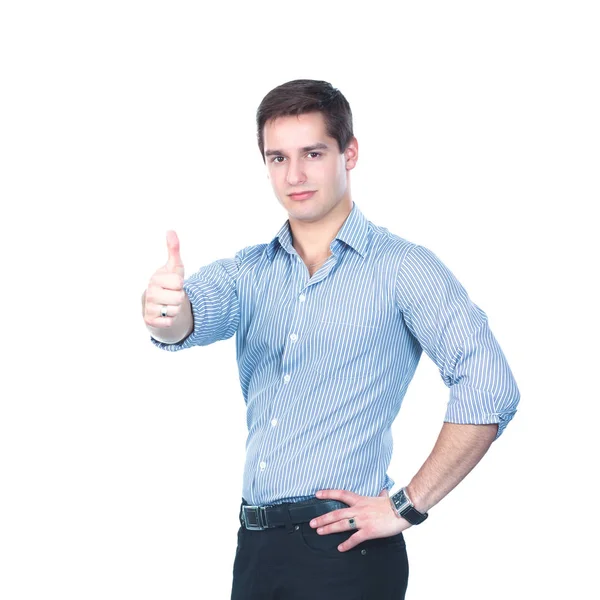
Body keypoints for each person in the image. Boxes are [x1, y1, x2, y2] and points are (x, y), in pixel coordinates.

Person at [141, 79, 520, 599]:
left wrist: (407, 504)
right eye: (277, 158)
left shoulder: (403, 269)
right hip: (255, 549)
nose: (293, 175)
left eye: (312, 154)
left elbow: (491, 384)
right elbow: (185, 317)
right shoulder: (248, 273)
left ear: (350, 152)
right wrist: (166, 310)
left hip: (345, 551)